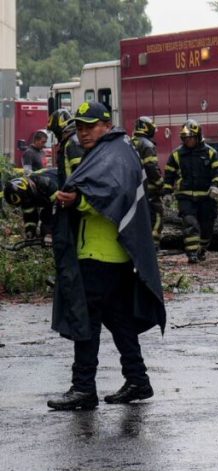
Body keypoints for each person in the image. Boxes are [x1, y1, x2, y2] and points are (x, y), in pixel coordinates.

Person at [46, 101, 165, 411]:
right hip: (115, 256)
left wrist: (77, 202)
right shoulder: (111, 152)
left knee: (86, 322)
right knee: (120, 320)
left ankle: (83, 388)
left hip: (98, 256)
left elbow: (110, 197)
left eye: (90, 126)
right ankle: (138, 380)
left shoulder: (114, 153)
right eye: (80, 127)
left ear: (106, 124)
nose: (84, 132)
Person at [164, 119, 218, 263]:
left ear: (198, 136)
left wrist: (216, 185)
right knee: (190, 224)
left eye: (190, 138)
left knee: (206, 228)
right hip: (186, 197)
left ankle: (201, 249)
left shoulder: (210, 153)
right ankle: (191, 254)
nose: (188, 141)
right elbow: (169, 175)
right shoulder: (177, 155)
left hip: (206, 197)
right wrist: (167, 193)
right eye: (185, 138)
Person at [130, 117, 165, 247]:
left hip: (132, 189)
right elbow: (151, 167)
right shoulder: (147, 145)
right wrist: (160, 184)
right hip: (149, 190)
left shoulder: (129, 142)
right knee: (157, 216)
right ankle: (153, 246)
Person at [3, 168, 59, 239]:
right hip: (52, 202)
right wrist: (30, 231)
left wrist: (50, 232)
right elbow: (30, 216)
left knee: (48, 221)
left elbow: (58, 207)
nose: (27, 203)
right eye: (24, 202)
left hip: (66, 192)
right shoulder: (26, 197)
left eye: (27, 199)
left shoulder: (46, 183)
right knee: (45, 227)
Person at [46, 109, 85, 187]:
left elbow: (80, 171)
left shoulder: (72, 143)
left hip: (74, 194)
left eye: (55, 132)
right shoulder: (71, 141)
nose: (56, 136)